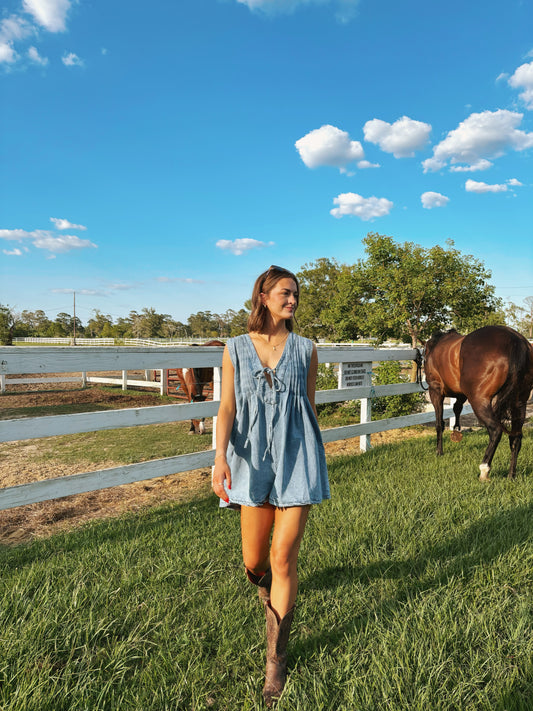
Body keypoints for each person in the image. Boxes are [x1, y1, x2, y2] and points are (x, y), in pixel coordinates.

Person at [211, 265, 330, 706]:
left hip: (297, 458)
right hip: (248, 458)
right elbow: (227, 408)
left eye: (296, 294)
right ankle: (267, 586)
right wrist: (220, 456)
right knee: (254, 558)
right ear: (262, 296)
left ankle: (275, 663)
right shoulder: (236, 348)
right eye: (285, 292)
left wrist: (314, 459)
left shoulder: (306, 349)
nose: (293, 300)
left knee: (284, 556)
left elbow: (308, 408)